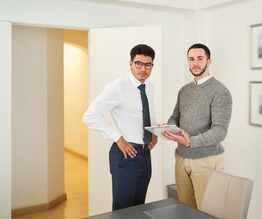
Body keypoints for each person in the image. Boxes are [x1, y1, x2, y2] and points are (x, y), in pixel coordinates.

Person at [82, 44, 158, 211]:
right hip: (126, 154)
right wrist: (118, 138)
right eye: (138, 63)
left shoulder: (149, 86)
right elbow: (89, 116)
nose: (143, 69)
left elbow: (149, 111)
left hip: (145, 154)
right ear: (130, 63)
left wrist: (154, 132)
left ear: (152, 66)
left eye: (148, 64)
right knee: (123, 210)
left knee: (139, 208)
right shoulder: (118, 87)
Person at [162, 43, 232, 209]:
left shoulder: (220, 91)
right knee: (186, 210)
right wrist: (170, 128)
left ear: (209, 62)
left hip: (206, 160)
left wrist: (190, 141)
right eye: (191, 59)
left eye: (200, 59)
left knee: (206, 211)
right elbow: (175, 117)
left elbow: (220, 131)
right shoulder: (184, 90)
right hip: (181, 157)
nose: (195, 63)